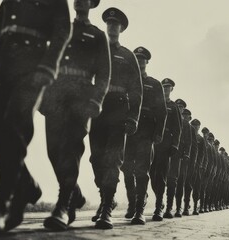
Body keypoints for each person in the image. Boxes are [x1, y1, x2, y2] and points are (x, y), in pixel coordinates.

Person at [0, 0, 71, 235]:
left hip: (32, 66)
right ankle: (26, 186)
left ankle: (0, 206)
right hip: (0, 63)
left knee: (15, 126)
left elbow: (63, 31)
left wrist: (48, 68)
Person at [40, 0, 110, 231]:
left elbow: (104, 73)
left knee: (71, 149)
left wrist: (96, 101)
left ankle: (62, 206)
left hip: (81, 96)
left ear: (91, 4)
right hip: (56, 93)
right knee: (53, 152)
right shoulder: (61, 27)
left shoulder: (97, 35)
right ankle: (75, 193)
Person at [89, 7, 142, 229]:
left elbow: (137, 89)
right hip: (97, 109)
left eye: (116, 24)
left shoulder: (128, 56)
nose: (112, 27)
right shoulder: (95, 50)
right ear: (106, 26)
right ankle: (105, 197)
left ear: (121, 28)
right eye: (109, 23)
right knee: (95, 159)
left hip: (119, 110)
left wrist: (133, 117)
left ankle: (106, 208)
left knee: (113, 160)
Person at [121, 46, 166, 225]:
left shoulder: (154, 84)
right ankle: (132, 203)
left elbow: (162, 111)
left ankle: (139, 210)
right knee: (125, 170)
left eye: (142, 59)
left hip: (146, 133)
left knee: (141, 171)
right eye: (136, 59)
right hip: (127, 132)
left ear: (147, 62)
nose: (139, 62)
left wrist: (158, 133)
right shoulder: (126, 82)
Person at [150, 78, 181, 221]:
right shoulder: (155, 103)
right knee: (151, 174)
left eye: (168, 87)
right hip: (152, 142)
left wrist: (174, 145)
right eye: (163, 87)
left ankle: (158, 208)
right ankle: (160, 200)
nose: (165, 89)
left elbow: (178, 128)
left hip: (165, 143)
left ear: (172, 89)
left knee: (161, 175)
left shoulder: (173, 107)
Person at [172, 104, 192, 218]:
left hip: (181, 157)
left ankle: (179, 207)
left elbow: (189, 144)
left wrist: (186, 155)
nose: (181, 112)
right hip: (169, 154)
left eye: (182, 110)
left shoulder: (187, 127)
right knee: (166, 180)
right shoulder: (172, 118)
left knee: (179, 182)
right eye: (178, 108)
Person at [182, 118, 200, 216]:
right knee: (184, 184)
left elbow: (200, 154)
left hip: (195, 166)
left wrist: (198, 165)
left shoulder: (200, 139)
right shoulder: (186, 132)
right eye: (193, 125)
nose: (195, 128)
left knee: (193, 186)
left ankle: (194, 205)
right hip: (186, 162)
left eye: (196, 126)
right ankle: (185, 205)